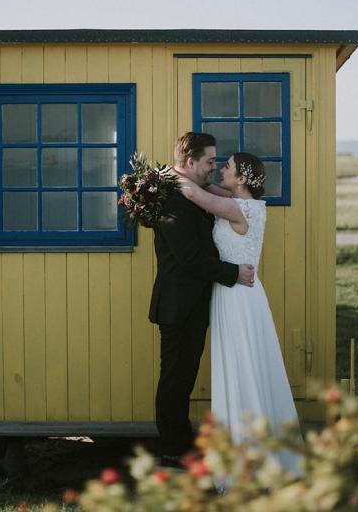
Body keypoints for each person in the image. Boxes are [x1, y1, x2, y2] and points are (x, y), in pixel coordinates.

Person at [178, 152, 302, 475]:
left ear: (242, 178)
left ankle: (248, 455)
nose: (221, 169)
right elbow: (212, 191)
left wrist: (167, 174)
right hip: (239, 293)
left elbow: (195, 194)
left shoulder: (238, 209)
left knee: (240, 364)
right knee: (240, 363)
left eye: (228, 167)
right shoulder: (245, 203)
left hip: (236, 298)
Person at [149, 132, 256, 469]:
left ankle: (180, 445)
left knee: (183, 378)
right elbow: (190, 258)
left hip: (191, 304)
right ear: (191, 161)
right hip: (178, 306)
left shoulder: (188, 192)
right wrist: (233, 273)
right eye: (209, 160)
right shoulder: (173, 200)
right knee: (176, 381)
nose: (213, 165)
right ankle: (172, 452)